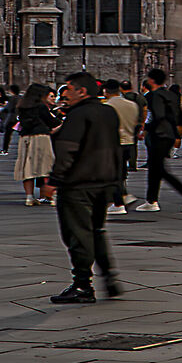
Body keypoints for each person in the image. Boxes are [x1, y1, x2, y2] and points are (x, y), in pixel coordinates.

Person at [48, 73, 125, 303]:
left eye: (68, 89)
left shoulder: (78, 114)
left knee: (77, 233)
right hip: (103, 182)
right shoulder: (108, 111)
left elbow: (67, 150)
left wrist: (53, 180)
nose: (64, 94)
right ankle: (109, 277)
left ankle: (82, 285)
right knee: (96, 231)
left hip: (78, 184)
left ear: (82, 91)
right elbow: (115, 147)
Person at [136, 68, 182, 212]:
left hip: (159, 134)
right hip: (170, 134)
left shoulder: (153, 96)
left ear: (151, 81)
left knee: (159, 169)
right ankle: (151, 201)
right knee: (155, 168)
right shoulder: (172, 95)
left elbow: (158, 116)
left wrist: (145, 128)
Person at [14, 84, 59, 206]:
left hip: (25, 137)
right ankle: (52, 197)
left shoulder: (22, 106)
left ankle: (29, 197)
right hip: (41, 137)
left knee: (27, 168)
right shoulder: (41, 106)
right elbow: (52, 122)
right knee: (46, 167)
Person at [102, 80, 142, 216]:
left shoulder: (107, 106)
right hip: (129, 142)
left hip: (114, 142)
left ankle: (118, 203)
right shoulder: (132, 105)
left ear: (105, 91)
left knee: (113, 174)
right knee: (121, 172)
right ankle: (124, 195)